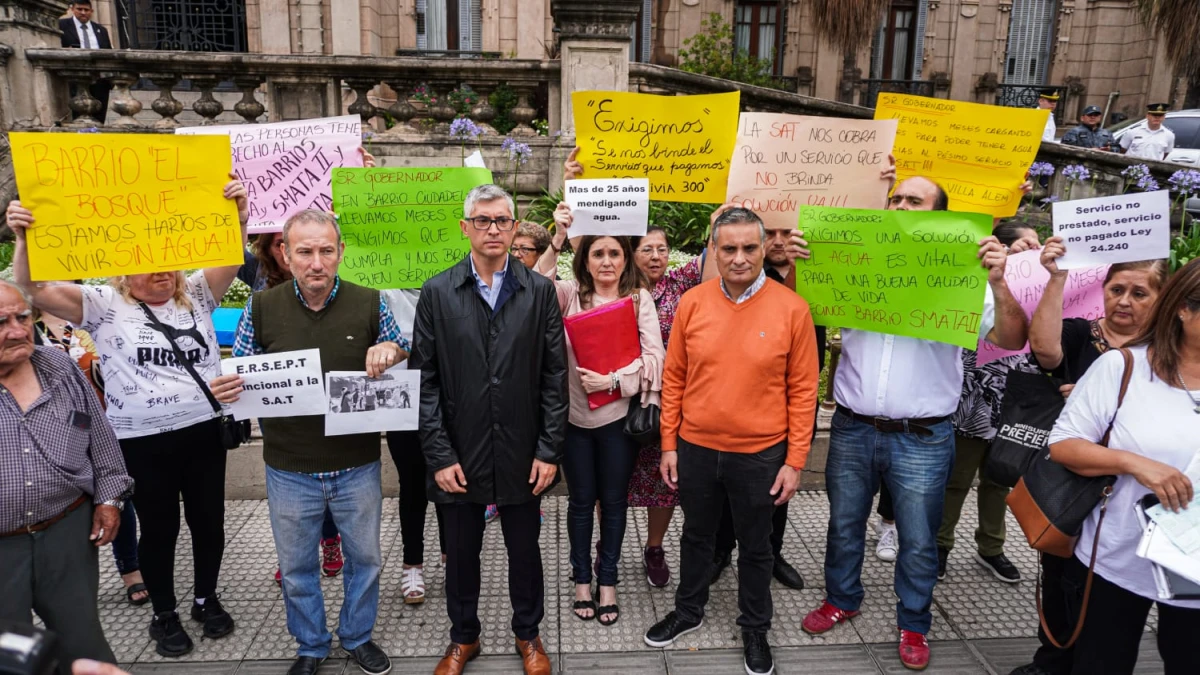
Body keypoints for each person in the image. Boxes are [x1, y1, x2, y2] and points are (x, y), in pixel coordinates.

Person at [6, 178, 248, 658]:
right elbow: (32, 289)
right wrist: (23, 238)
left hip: (202, 432)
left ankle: (205, 597)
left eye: (169, 260)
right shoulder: (102, 304)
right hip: (141, 441)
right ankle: (165, 613)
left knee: (209, 521)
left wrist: (235, 213)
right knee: (160, 528)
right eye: (148, 262)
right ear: (123, 269)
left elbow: (232, 252)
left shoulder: (198, 293)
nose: (162, 272)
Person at [800, 176, 1031, 671]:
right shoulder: (851, 257)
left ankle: (914, 623)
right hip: (853, 426)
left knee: (920, 537)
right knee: (843, 525)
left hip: (923, 436)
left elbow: (1011, 338)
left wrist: (997, 281)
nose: (901, 205)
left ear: (940, 217)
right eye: (896, 198)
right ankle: (842, 598)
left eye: (914, 201)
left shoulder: (963, 274)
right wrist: (801, 257)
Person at [210, 209, 406, 675]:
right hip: (288, 468)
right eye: (305, 252)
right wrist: (228, 387)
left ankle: (357, 636)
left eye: (325, 250)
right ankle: (312, 645)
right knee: (297, 569)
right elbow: (242, 369)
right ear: (286, 253)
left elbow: (402, 349)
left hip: (356, 464)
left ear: (340, 252)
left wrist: (391, 350)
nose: (316, 262)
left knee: (367, 561)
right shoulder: (260, 308)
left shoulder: (371, 302)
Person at [642, 207, 818, 675]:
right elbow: (675, 377)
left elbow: (804, 391)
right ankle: (688, 610)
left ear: (763, 249)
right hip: (696, 448)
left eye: (749, 248)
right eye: (729, 248)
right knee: (697, 535)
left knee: (756, 545)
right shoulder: (693, 303)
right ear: (713, 251)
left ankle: (755, 627)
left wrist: (795, 461)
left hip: (762, 454)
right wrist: (669, 445)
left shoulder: (793, 308)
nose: (739, 258)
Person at [413, 184, 566, 675]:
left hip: (523, 450)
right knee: (460, 555)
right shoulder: (438, 292)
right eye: (483, 220)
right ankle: (464, 639)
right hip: (460, 450)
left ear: (515, 227)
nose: (493, 229)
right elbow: (426, 380)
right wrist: (438, 455)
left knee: (525, 550)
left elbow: (554, 376)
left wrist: (548, 450)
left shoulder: (539, 291)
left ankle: (529, 635)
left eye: (502, 220)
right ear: (466, 228)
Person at [1010, 249, 1169, 675]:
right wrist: (1057, 279)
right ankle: (1051, 659)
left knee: (1104, 594)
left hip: (1127, 496)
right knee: (1058, 571)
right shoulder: (1084, 334)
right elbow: (1045, 351)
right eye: (1117, 290)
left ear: (1162, 297)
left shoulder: (1169, 355)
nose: (1124, 301)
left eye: (1139, 293)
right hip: (1070, 486)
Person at [1040, 258, 1200, 674]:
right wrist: (1134, 463)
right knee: (1101, 663)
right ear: (1184, 308)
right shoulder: (1124, 366)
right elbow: (1064, 445)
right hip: (1117, 560)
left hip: (1194, 572)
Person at [542, 204, 666, 625]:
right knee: (579, 504)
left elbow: (655, 360)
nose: (607, 261)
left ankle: (607, 581)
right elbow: (528, 283)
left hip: (617, 423)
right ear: (586, 261)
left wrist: (613, 380)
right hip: (574, 421)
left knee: (613, 504)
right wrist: (558, 236)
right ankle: (581, 581)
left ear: (624, 258)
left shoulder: (638, 300)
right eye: (598, 254)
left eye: (614, 253)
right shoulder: (567, 295)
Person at [0, 280, 133, 673]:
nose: (18, 330)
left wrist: (109, 498)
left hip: (67, 531)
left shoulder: (56, 365)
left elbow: (100, 436)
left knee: (84, 644)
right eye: (1, 322)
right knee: (12, 657)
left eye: (23, 317)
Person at [710, 219, 826, 590]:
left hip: (784, 392)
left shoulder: (812, 268)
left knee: (775, 490)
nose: (778, 241)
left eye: (784, 233)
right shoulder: (737, 273)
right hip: (731, 409)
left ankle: (770, 553)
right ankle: (720, 552)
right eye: (770, 233)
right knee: (725, 491)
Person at [936, 221, 1042, 585]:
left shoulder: (1044, 286)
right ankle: (940, 545)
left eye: (1038, 243)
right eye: (1026, 244)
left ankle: (991, 547)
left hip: (1017, 399)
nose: (1035, 249)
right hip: (973, 397)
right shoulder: (977, 283)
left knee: (1001, 479)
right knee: (956, 478)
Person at [239, 230, 345, 583]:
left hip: (329, 399)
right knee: (290, 478)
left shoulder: (334, 283)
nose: (311, 260)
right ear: (278, 250)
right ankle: (295, 551)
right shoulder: (258, 281)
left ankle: (330, 540)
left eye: (321, 250)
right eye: (294, 248)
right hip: (282, 405)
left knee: (330, 472)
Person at [33, 308, 147, 605]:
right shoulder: (26, 328)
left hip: (112, 423)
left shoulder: (92, 319)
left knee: (118, 497)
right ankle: (66, 578)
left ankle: (130, 568)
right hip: (58, 434)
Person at [58, 0, 111, 123]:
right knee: (76, 116)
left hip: (99, 79)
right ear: (72, 9)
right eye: (79, 9)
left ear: (91, 11)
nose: (83, 13)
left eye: (86, 10)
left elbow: (108, 51)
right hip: (74, 77)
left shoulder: (101, 30)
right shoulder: (62, 25)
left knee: (99, 115)